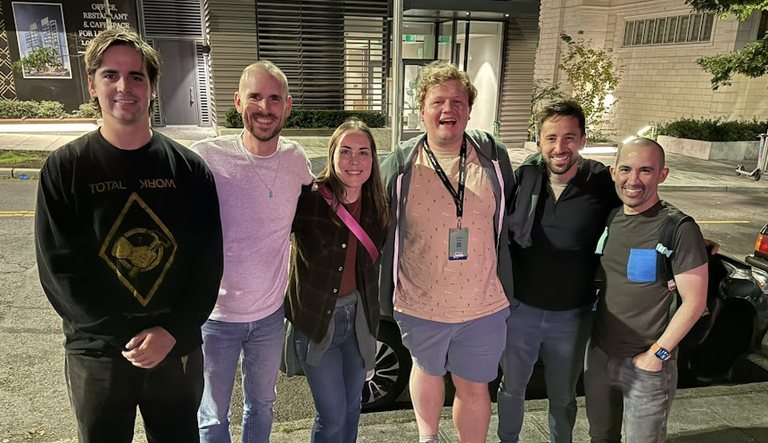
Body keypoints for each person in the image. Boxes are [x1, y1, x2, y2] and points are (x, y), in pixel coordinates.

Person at [35, 28, 223, 443]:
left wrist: (172, 332)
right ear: (93, 84)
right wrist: (126, 336)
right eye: (111, 75)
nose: (125, 86)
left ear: (153, 87)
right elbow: (59, 271)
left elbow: (207, 264)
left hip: (175, 351)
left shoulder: (189, 171)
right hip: (99, 353)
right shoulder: (65, 169)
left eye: (137, 76)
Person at [379, 61, 514, 443]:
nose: (448, 109)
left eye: (457, 101)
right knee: (426, 369)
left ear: (469, 109)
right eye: (438, 101)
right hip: (420, 300)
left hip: (482, 303)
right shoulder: (402, 163)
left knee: (474, 387)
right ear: (421, 110)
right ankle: (428, 438)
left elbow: (512, 216)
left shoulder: (493, 157)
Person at [190, 60, 313, 443]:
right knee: (211, 415)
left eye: (274, 98)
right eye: (255, 96)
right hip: (216, 317)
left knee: (262, 407)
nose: (265, 107)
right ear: (238, 101)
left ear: (287, 105)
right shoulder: (205, 158)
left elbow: (323, 211)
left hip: (270, 317)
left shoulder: (296, 161)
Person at [500, 100, 620, 443]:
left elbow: (637, 211)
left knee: (563, 397)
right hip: (520, 308)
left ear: (582, 139)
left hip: (572, 314)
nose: (559, 147)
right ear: (538, 141)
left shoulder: (600, 180)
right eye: (551, 138)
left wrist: (687, 235)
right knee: (511, 389)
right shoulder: (524, 177)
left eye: (569, 137)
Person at [584, 138, 709, 443]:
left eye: (645, 171)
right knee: (600, 437)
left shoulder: (678, 228)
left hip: (648, 363)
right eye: (626, 169)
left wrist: (658, 354)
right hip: (600, 355)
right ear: (614, 172)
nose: (633, 180)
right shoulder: (611, 218)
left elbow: (694, 303)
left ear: (662, 175)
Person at [284, 118, 389, 443]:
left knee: (352, 408)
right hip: (318, 323)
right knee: (330, 417)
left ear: (373, 158)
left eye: (363, 152)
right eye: (345, 151)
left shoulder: (377, 207)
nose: (354, 161)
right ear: (332, 155)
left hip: (359, 321)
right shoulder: (308, 200)